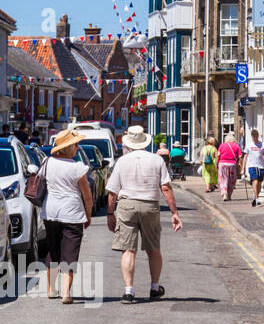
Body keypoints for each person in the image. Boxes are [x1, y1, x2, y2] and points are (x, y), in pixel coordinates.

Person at [106, 125, 183, 304]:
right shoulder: (157, 160)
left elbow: (112, 192)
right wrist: (174, 213)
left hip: (127, 206)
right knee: (153, 249)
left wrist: (110, 213)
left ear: (128, 143)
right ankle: (155, 288)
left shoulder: (122, 161)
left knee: (128, 250)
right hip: (150, 205)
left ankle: (128, 291)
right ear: (145, 142)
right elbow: (165, 187)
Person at [41, 128, 94, 304]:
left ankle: (50, 289)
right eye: (76, 145)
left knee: (53, 252)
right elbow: (87, 196)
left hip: (50, 212)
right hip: (72, 214)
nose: (78, 148)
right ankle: (65, 293)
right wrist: (88, 214)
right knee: (69, 254)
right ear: (68, 147)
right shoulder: (78, 167)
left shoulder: (47, 162)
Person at [243, 129, 264, 207]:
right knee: (255, 181)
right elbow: (245, 157)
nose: (255, 138)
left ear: (258, 136)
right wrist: (243, 168)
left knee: (259, 184)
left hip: (260, 166)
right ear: (252, 137)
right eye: (254, 137)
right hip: (252, 166)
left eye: (256, 137)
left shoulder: (262, 145)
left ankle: (255, 197)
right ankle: (257, 199)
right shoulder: (249, 145)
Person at [216, 132, 242, 201]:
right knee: (231, 180)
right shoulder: (236, 146)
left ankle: (224, 193)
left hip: (222, 164)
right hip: (232, 164)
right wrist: (241, 165)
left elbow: (218, 155)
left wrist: (216, 164)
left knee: (222, 179)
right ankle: (229, 195)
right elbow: (240, 156)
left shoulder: (222, 145)